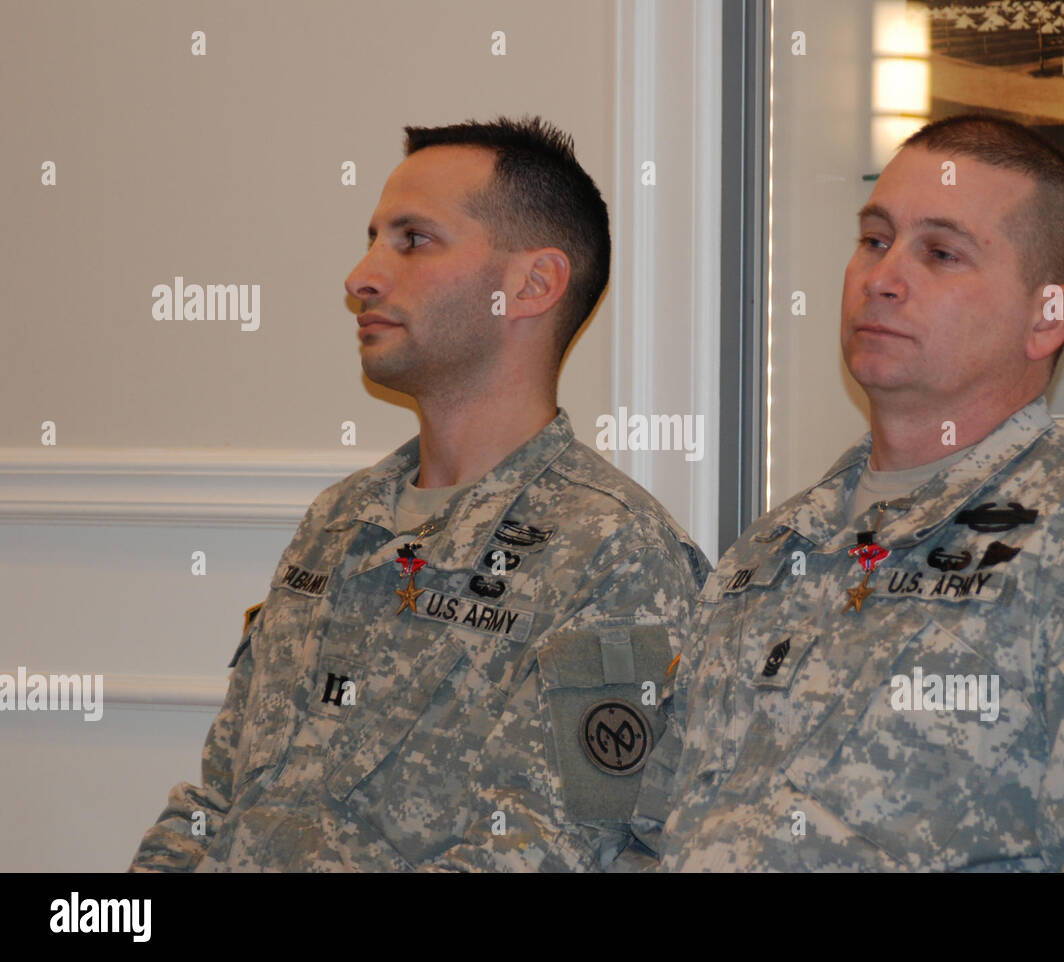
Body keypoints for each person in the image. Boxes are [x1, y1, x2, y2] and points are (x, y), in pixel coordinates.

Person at [643, 115, 1064, 871]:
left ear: (1048, 317)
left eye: (941, 253)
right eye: (875, 240)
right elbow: (655, 833)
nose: (883, 278)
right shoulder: (776, 551)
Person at [130, 117, 708, 872]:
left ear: (531, 285)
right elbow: (215, 805)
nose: (360, 276)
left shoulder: (613, 554)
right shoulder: (339, 523)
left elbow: (546, 854)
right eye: (373, 237)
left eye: (412, 240)